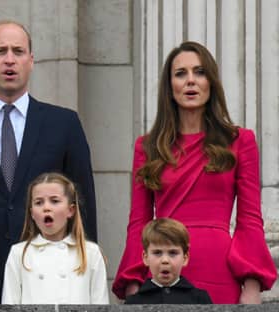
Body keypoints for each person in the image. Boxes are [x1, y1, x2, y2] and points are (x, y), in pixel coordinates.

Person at [0, 20, 97, 303]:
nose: (10, 60)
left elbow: (83, 204)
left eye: (18, 51)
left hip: (49, 276)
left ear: (31, 60)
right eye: (0, 51)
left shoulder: (64, 124)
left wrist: (84, 270)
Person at [112, 41, 277, 304]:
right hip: (163, 271)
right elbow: (138, 222)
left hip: (220, 270)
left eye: (199, 72)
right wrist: (133, 282)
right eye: (181, 74)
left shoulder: (240, 141)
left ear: (211, 82)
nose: (191, 81)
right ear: (170, 86)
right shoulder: (147, 146)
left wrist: (252, 283)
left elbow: (250, 219)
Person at [1, 172, 108, 304]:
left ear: (71, 210)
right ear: (32, 213)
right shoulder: (19, 253)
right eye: (39, 202)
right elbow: (9, 303)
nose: (46, 208)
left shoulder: (90, 253)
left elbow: (100, 304)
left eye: (54, 201)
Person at [125, 218, 212, 304]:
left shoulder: (200, 299)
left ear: (185, 258)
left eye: (173, 253)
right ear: (145, 257)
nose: (165, 260)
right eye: (157, 253)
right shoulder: (133, 302)